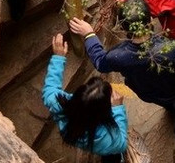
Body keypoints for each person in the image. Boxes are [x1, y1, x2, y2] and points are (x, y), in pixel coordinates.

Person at [69, 0, 175, 143]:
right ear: (151, 20)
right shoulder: (171, 50)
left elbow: (100, 62)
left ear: (124, 28)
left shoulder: (118, 55)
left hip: (147, 93)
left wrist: (89, 34)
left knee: (166, 102)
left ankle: (171, 109)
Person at [43, 33, 128, 162]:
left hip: (72, 134)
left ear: (79, 94)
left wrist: (58, 58)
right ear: (104, 111)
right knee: (112, 157)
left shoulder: (58, 104)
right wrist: (118, 108)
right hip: (101, 145)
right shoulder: (108, 138)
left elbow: (50, 89)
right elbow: (122, 143)